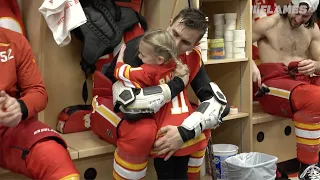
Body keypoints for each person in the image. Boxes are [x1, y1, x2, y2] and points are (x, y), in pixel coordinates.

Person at [90, 7, 229, 180]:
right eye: (175, 34)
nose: (176, 44)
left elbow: (218, 103)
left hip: (155, 107)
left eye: (185, 42)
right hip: (110, 102)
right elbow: (130, 106)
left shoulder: (192, 56)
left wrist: (183, 133)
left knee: (201, 126)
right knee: (142, 133)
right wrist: (176, 86)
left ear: (195, 45)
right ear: (170, 23)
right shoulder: (141, 47)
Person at [113, 29, 211, 179]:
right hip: (186, 131)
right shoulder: (179, 66)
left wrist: (120, 61)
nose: (139, 57)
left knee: (165, 175)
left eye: (143, 55)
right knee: (181, 174)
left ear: (159, 59)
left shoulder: (149, 71)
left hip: (165, 135)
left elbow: (123, 72)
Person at [252, 0, 320, 179]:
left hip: (301, 82)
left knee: (314, 95)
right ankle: (308, 167)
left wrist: (315, 65)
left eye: (305, 16)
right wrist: (249, 62)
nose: (298, 19)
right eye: (296, 13)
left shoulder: (312, 29)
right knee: (315, 97)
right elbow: (240, 46)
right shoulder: (268, 23)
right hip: (272, 84)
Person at [0, 27, 79, 179]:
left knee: (53, 155)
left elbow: (38, 92)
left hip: (9, 129)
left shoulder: (14, 41)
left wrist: (19, 107)